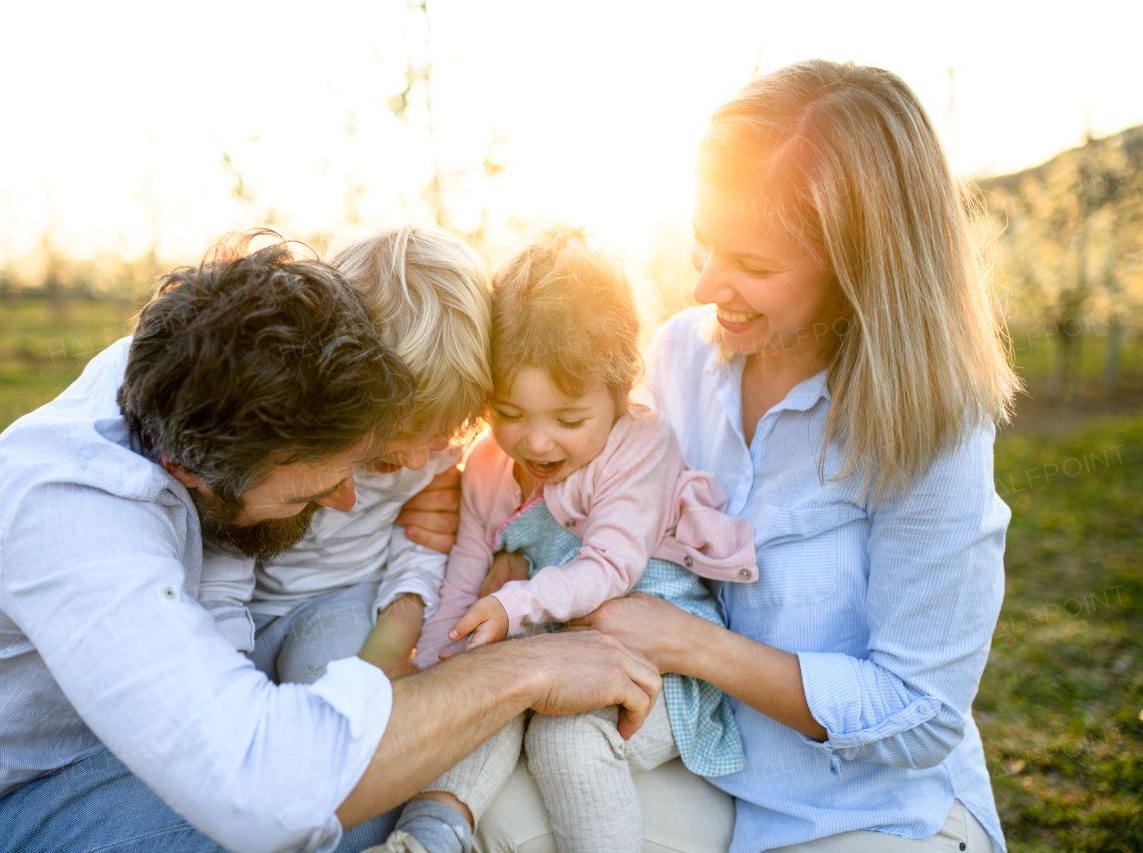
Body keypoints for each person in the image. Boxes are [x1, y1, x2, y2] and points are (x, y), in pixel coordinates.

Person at [0, 231, 663, 853]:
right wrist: (529, 666)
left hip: (111, 757)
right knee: (342, 795)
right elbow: (266, 784)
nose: (348, 498)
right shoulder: (72, 517)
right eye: (311, 494)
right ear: (194, 471)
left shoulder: (193, 373)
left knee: (373, 770)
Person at [479, 60, 1019, 853]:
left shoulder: (934, 426)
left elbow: (921, 714)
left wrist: (692, 644)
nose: (703, 285)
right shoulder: (677, 360)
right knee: (508, 812)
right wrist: (458, 491)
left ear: (858, 263)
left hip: (872, 812)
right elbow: (578, 463)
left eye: (753, 266)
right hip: (712, 773)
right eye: (703, 245)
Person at [370, 230, 759, 853]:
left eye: (569, 420)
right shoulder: (493, 463)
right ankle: (429, 837)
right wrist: (438, 665)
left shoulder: (639, 445)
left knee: (567, 734)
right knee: (482, 692)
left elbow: (608, 566)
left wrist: (513, 606)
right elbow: (467, 568)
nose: (537, 443)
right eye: (511, 413)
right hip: (549, 641)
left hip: (653, 660)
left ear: (622, 387)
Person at [196, 224, 493, 685]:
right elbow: (227, 541)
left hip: (343, 599)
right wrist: (223, 638)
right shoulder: (292, 433)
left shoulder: (436, 460)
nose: (417, 461)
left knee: (328, 691)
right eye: (401, 434)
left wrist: (392, 642)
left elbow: (421, 547)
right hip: (242, 605)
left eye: (439, 437)